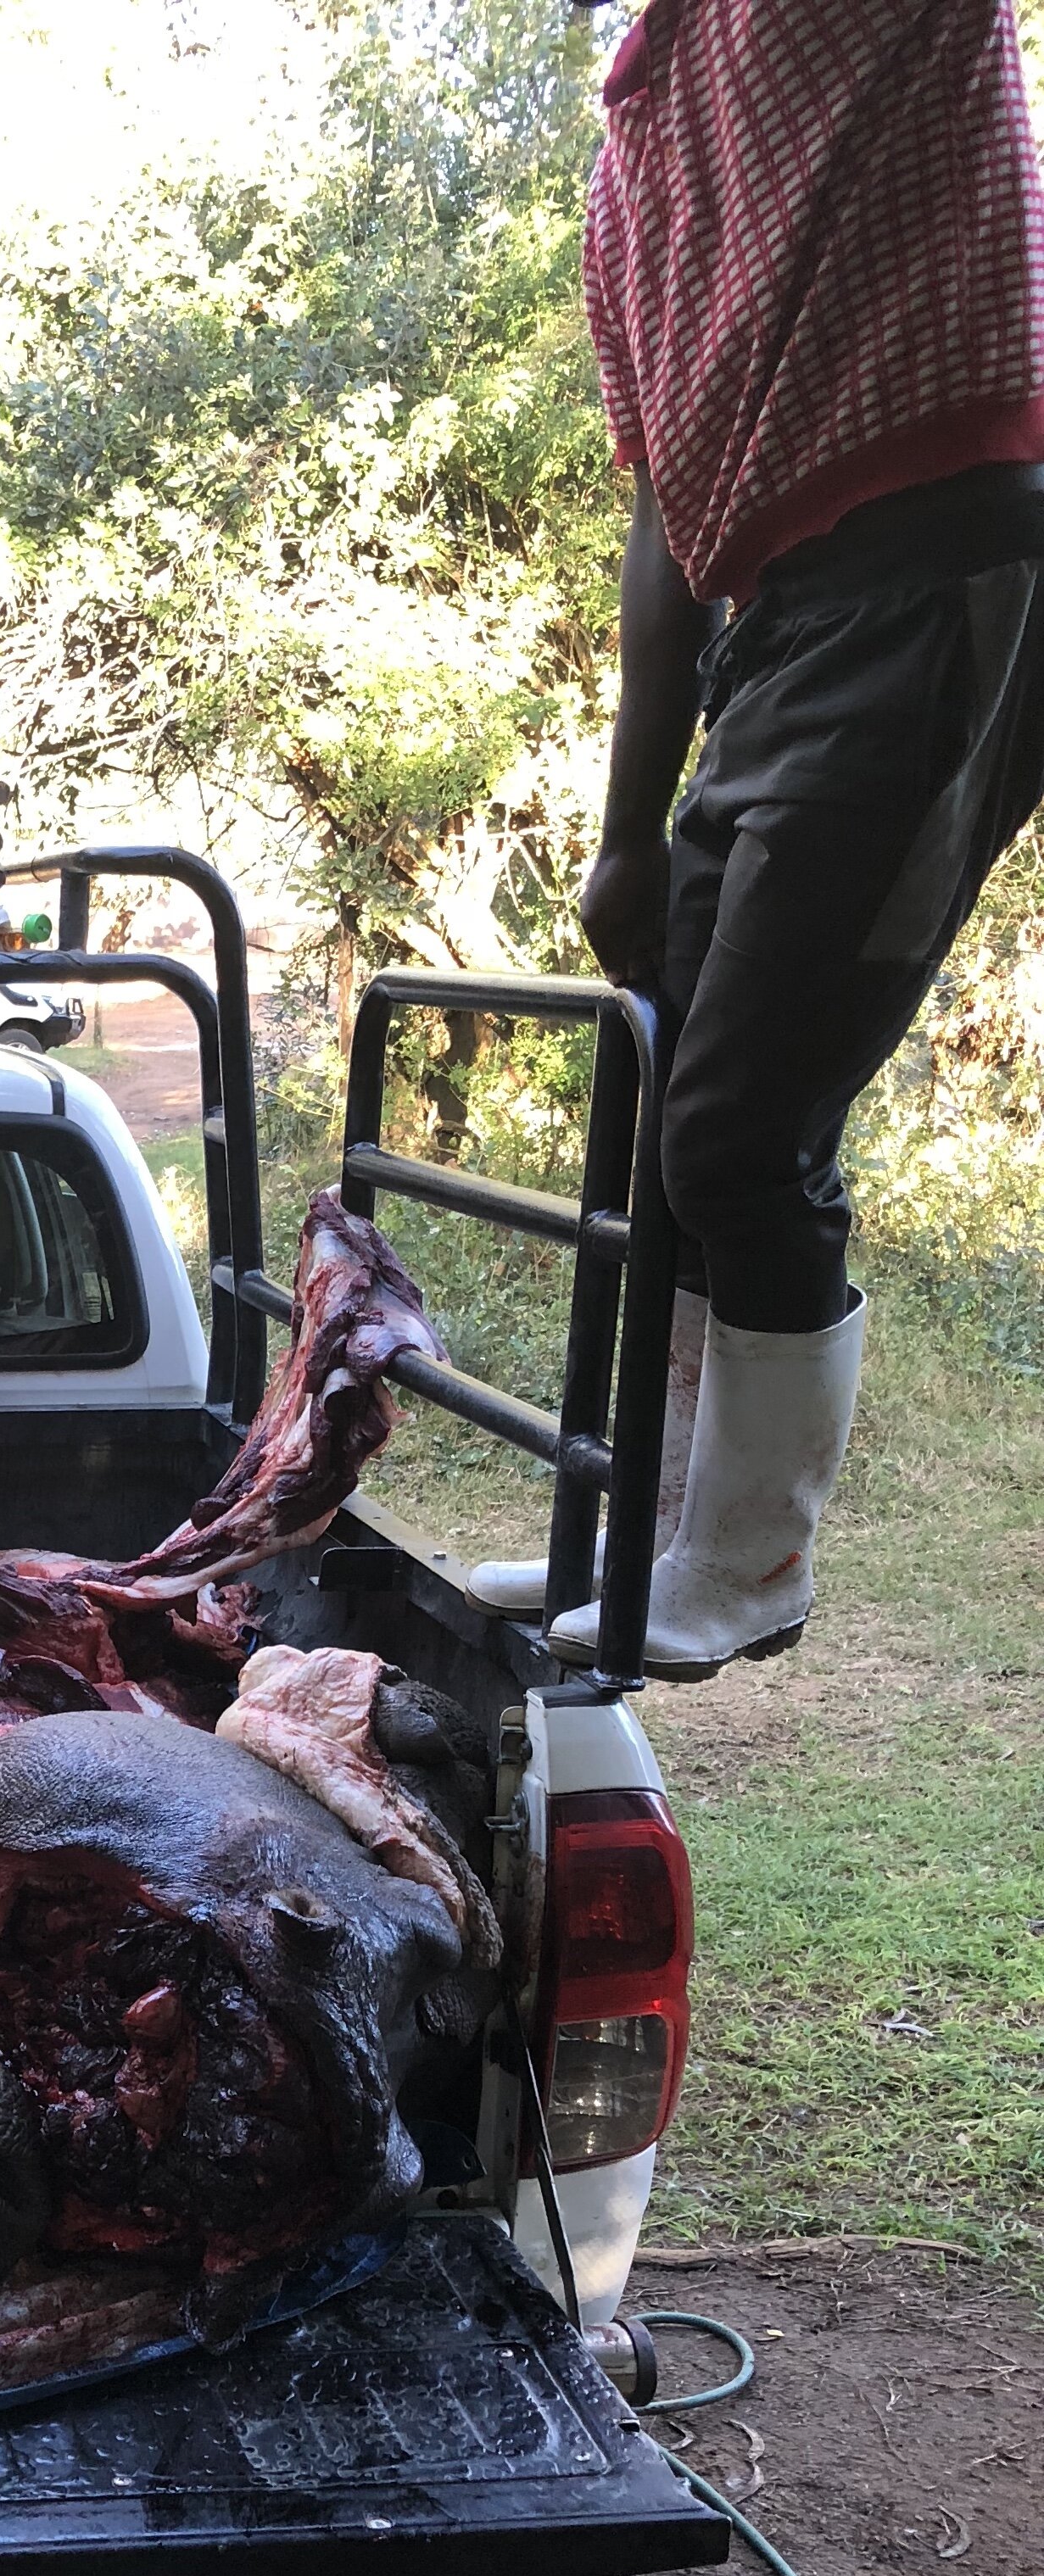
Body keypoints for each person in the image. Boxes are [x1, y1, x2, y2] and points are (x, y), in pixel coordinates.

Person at [477, 0, 1044, 1674]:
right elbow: (662, 508)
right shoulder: (625, 165)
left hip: (943, 568)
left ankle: (751, 1564)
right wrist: (627, 826)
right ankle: (656, 1546)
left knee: (742, 1132)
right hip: (767, 631)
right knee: (678, 1140)